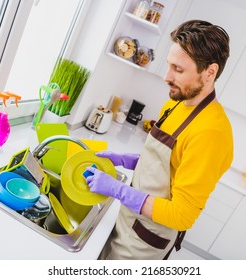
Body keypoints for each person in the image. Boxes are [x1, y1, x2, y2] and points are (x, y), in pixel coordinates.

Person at [85, 19, 234, 260]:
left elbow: (181, 215)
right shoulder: (176, 104)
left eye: (178, 69)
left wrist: (118, 190)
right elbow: (166, 164)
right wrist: (125, 160)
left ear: (210, 72)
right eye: (169, 65)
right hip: (127, 220)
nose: (166, 76)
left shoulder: (211, 133)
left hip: (145, 241)